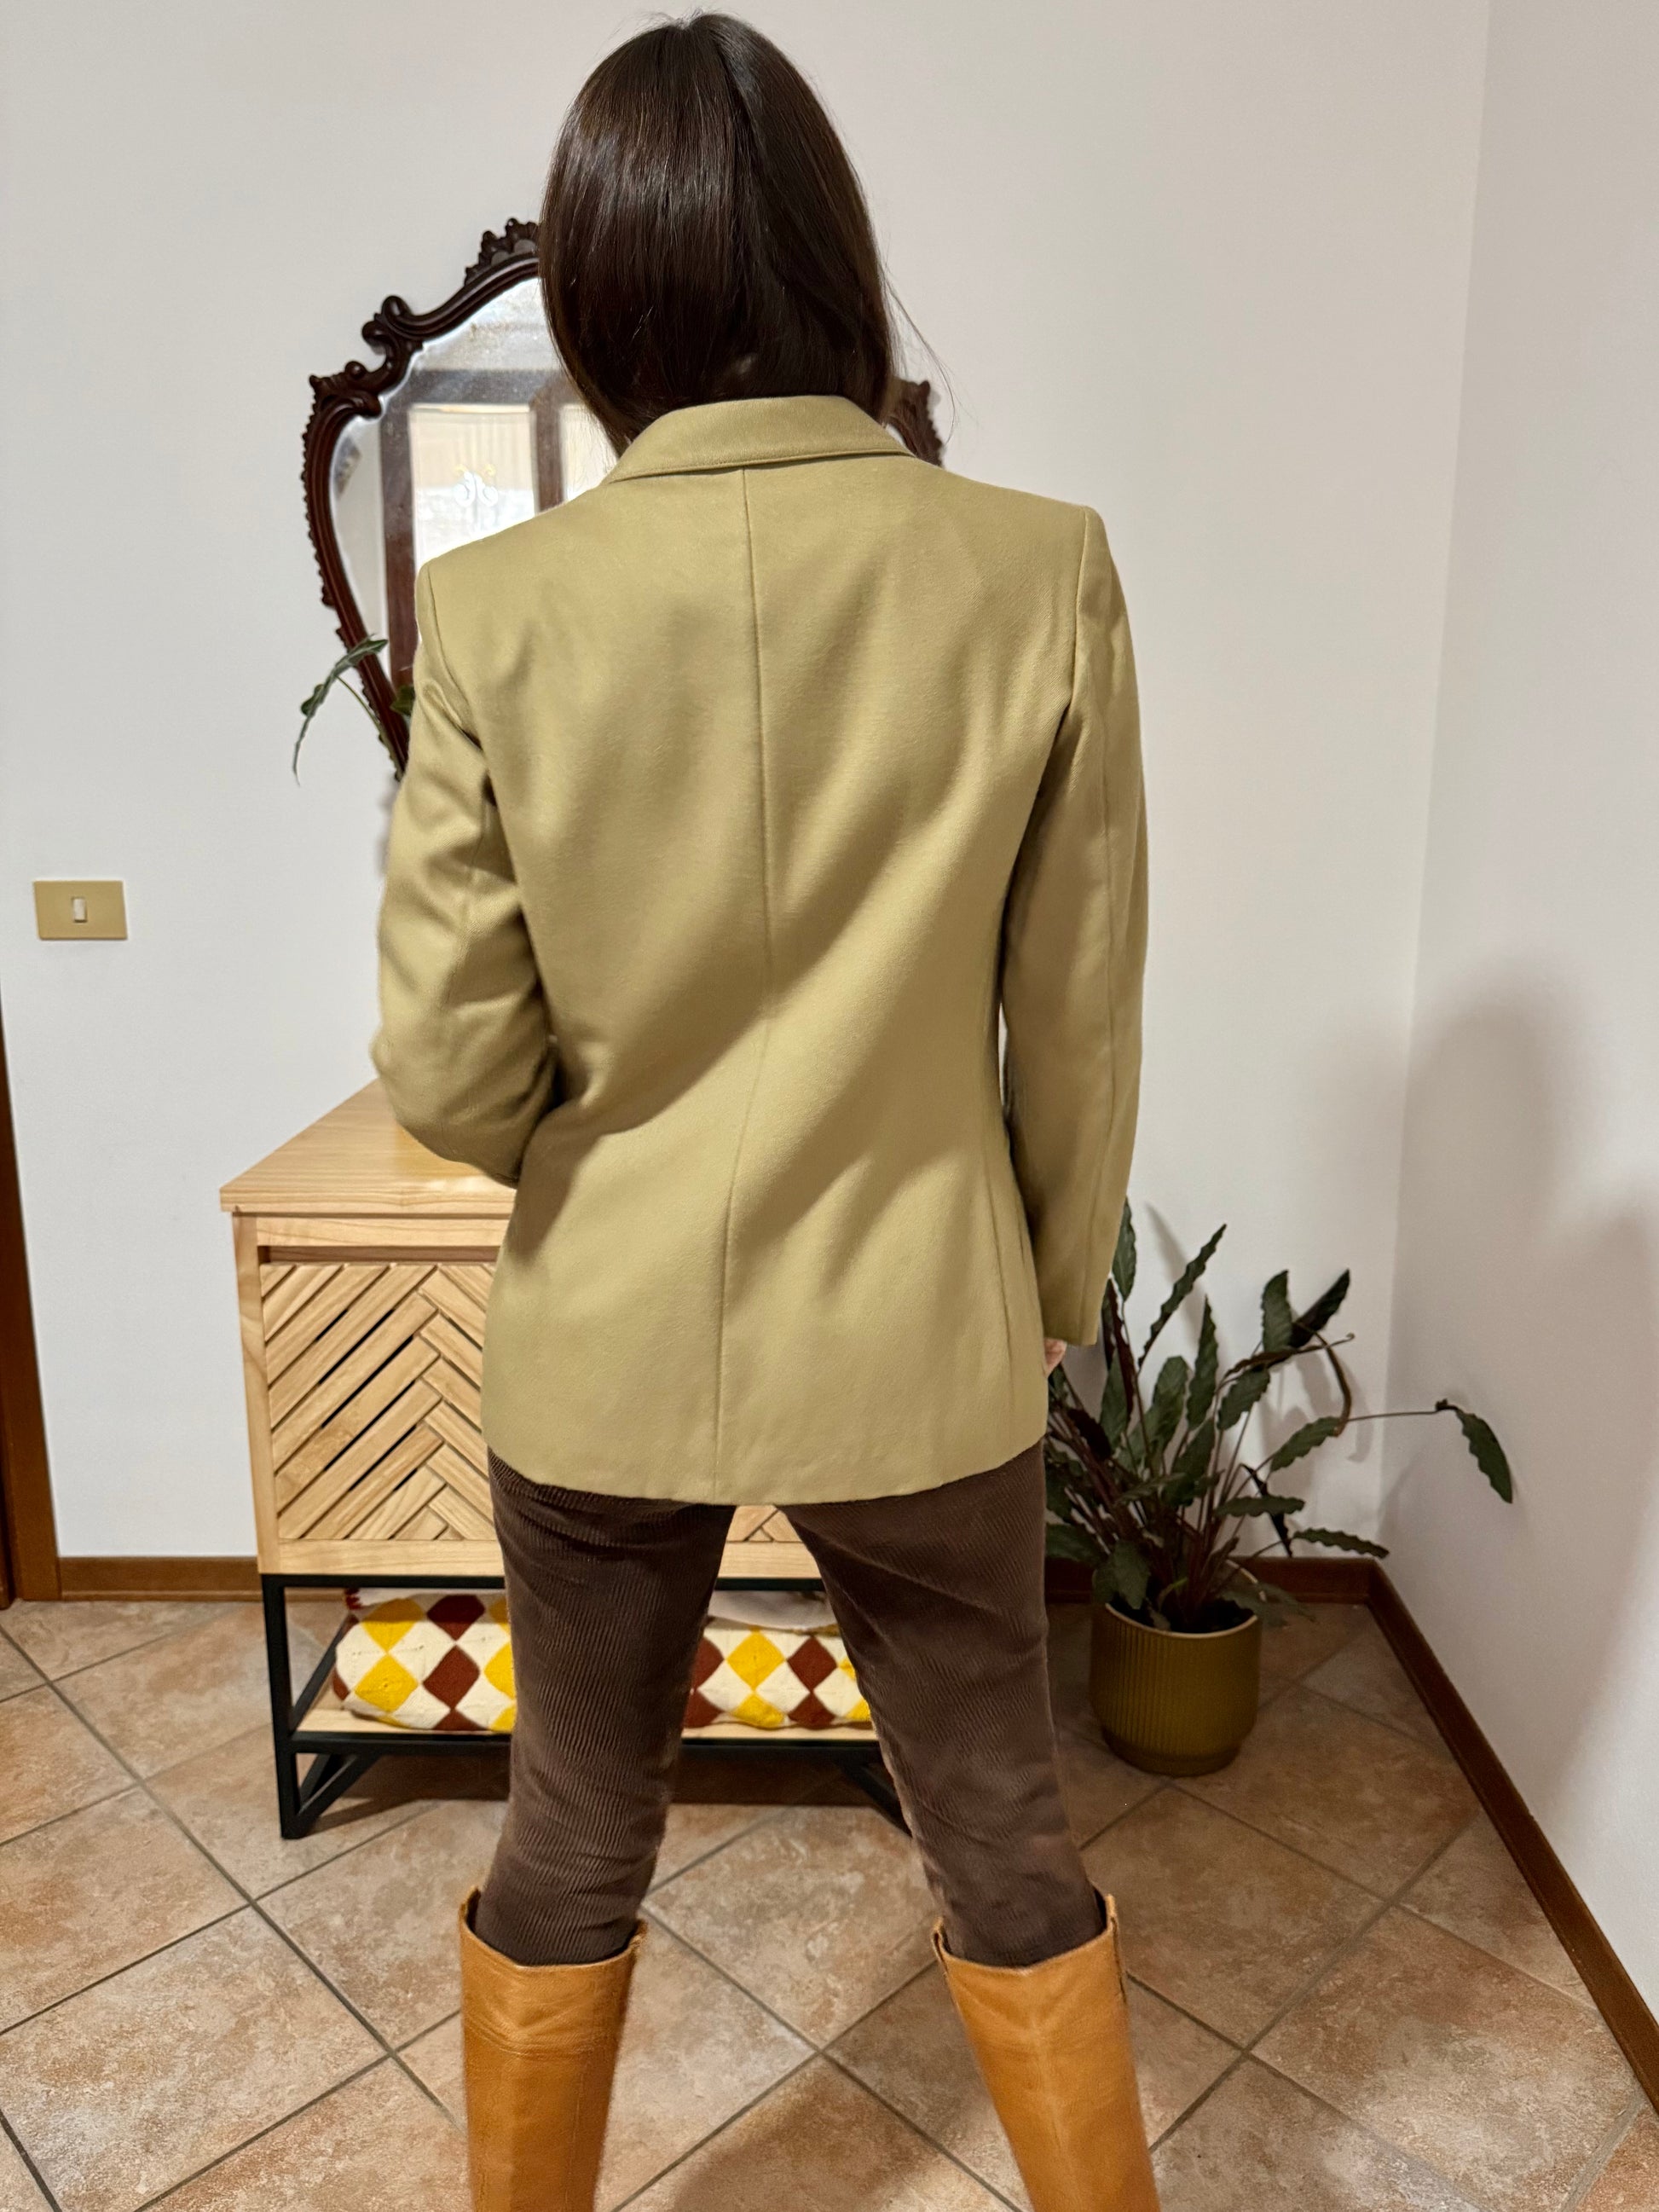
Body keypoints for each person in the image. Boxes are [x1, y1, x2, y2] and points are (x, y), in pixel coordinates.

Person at [373, 14, 1153, 2209]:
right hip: (922, 1328)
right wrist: (1047, 1283)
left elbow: (445, 1065)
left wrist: (605, 1160)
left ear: (596, 295)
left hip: (604, 1342)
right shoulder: (1038, 568)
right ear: (831, 256)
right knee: (1003, 1827)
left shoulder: (497, 607)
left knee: (569, 1826)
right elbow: (1076, 1014)